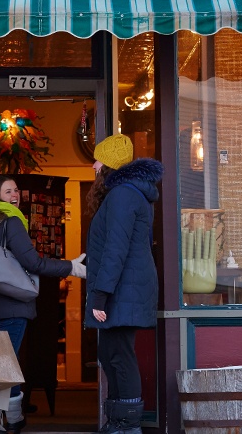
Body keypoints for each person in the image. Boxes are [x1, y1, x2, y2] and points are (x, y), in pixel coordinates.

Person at [0, 175, 86, 434]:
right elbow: (34, 264)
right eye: (8, 191)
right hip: (13, 303)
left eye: (16, 190)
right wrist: (71, 267)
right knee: (3, 364)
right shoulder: (12, 222)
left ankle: (5, 419)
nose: (15, 194)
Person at [84, 134, 163, 434]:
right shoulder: (129, 194)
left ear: (110, 164)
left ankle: (127, 424)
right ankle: (119, 421)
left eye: (98, 159)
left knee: (119, 354)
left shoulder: (122, 195)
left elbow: (115, 249)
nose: (93, 165)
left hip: (121, 290)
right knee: (112, 354)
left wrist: (101, 295)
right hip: (126, 288)